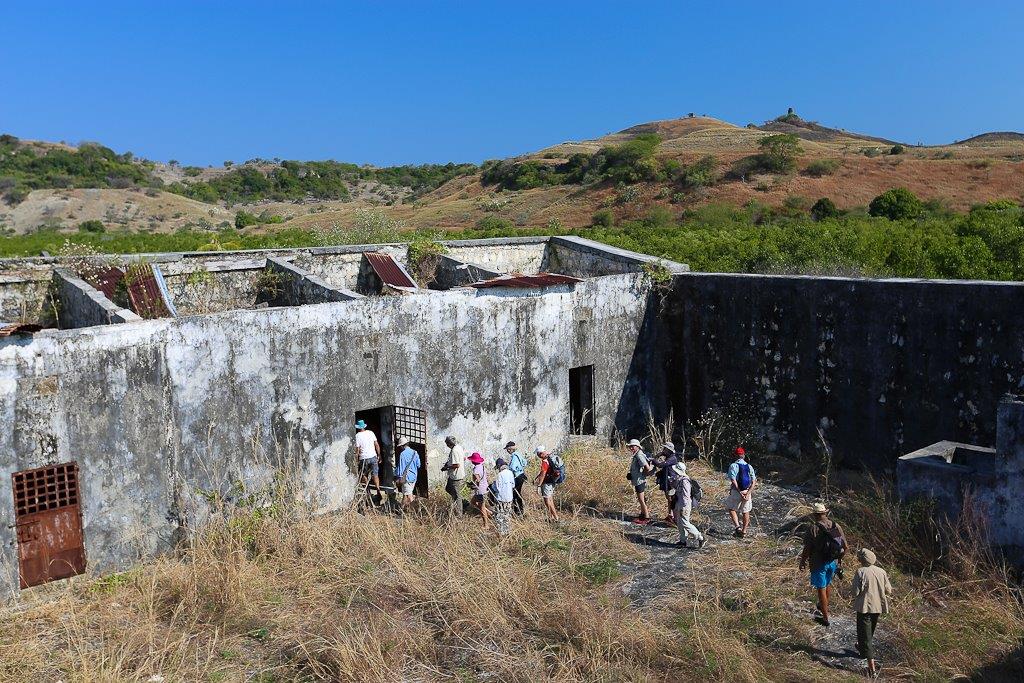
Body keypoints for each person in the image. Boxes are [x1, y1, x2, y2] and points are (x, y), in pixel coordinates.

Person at [799, 502, 847, 627]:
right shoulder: (836, 526)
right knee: (827, 583)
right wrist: (839, 560)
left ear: (815, 514)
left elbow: (807, 549)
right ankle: (822, 606)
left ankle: (825, 618)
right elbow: (845, 546)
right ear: (825, 512)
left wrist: (802, 562)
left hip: (818, 563)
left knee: (821, 588)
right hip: (832, 562)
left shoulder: (813, 528)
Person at [852, 548, 893, 677]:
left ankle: (872, 670)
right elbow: (889, 590)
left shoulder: (860, 572)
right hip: (878, 607)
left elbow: (855, 592)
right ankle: (861, 647)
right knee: (869, 633)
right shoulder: (881, 571)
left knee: (866, 635)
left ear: (862, 559)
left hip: (865, 608)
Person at [671, 460, 706, 549]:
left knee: (685, 523)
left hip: (684, 505)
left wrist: (683, 507)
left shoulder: (685, 481)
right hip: (680, 503)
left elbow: (686, 496)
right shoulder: (680, 479)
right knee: (679, 522)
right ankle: (683, 541)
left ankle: (700, 537)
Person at [725, 446, 756, 537]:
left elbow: (733, 480)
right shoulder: (749, 466)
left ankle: (737, 527)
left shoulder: (733, 465)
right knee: (746, 511)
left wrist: (739, 492)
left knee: (731, 508)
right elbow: (754, 481)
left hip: (736, 491)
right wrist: (748, 493)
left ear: (735, 456)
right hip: (747, 491)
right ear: (744, 455)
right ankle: (744, 531)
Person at [626, 439, 653, 524]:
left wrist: (643, 474)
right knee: (642, 499)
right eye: (630, 446)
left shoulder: (639, 455)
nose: (631, 448)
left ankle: (646, 517)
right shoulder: (637, 454)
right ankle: (642, 514)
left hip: (639, 480)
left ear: (637, 447)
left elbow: (647, 467)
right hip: (639, 479)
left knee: (641, 499)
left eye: (632, 446)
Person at [652, 442, 679, 523]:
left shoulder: (672, 458)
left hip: (672, 482)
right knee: (669, 498)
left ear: (668, 450)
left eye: (665, 449)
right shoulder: (669, 457)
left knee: (672, 499)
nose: (663, 450)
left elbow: (661, 465)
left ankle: (674, 517)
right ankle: (670, 515)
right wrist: (659, 455)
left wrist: (653, 460)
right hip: (667, 481)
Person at [354, 419, 382, 499]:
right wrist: (379, 455)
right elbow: (376, 444)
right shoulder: (371, 433)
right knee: (375, 475)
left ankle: (368, 491)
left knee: (364, 475)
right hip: (373, 456)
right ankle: (378, 490)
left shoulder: (357, 436)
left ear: (358, 427)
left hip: (364, 458)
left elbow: (358, 450)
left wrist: (357, 460)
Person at [532, 446, 560, 522]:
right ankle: (552, 517)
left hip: (547, 483)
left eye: (538, 454)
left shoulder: (544, 461)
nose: (538, 456)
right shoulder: (550, 457)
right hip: (552, 481)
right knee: (550, 499)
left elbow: (543, 474)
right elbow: (543, 472)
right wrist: (537, 477)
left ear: (540, 453)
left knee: (547, 500)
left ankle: (556, 517)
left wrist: (539, 485)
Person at [442, 436, 466, 516]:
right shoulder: (458, 447)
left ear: (449, 444)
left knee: (457, 496)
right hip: (454, 475)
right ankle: (457, 503)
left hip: (456, 476)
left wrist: (447, 467)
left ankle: (459, 514)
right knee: (448, 488)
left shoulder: (455, 451)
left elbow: (457, 465)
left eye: (446, 443)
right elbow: (463, 458)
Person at [394, 436, 420, 511]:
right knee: (405, 494)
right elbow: (419, 465)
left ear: (402, 446)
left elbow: (401, 468)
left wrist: (398, 477)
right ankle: (401, 509)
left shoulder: (403, 454)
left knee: (409, 495)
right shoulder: (415, 452)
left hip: (406, 478)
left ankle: (416, 511)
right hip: (414, 477)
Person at [467, 452, 491, 528]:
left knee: (481, 507)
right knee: (473, 502)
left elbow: (477, 481)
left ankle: (486, 525)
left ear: (473, 461)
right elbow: (486, 478)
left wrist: (471, 485)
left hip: (480, 491)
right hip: (485, 488)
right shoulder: (482, 467)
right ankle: (489, 513)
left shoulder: (475, 470)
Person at [504, 441, 528, 516]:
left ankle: (518, 512)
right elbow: (525, 463)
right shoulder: (518, 454)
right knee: (518, 493)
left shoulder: (514, 456)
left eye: (508, 449)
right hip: (521, 475)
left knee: (515, 495)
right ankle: (520, 511)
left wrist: (507, 468)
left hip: (517, 477)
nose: (507, 451)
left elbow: (513, 468)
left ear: (511, 449)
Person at [493, 457, 516, 536]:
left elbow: (497, 488)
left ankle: (501, 533)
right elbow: (513, 485)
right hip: (509, 497)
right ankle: (508, 531)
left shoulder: (500, 475)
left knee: (500, 516)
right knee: (507, 515)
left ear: (499, 466)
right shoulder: (510, 473)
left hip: (501, 498)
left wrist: (492, 485)